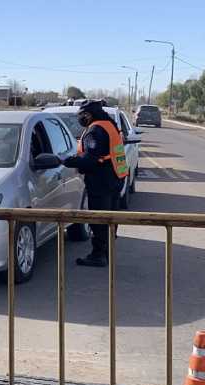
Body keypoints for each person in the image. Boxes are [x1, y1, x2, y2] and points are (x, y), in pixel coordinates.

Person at [62, 99, 128, 267]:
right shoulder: (110, 125)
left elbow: (90, 160)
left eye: (82, 115)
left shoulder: (95, 130)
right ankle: (107, 252)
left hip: (101, 181)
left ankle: (98, 255)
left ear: (89, 114)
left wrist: (66, 161)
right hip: (115, 178)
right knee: (110, 218)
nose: (80, 118)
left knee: (98, 219)